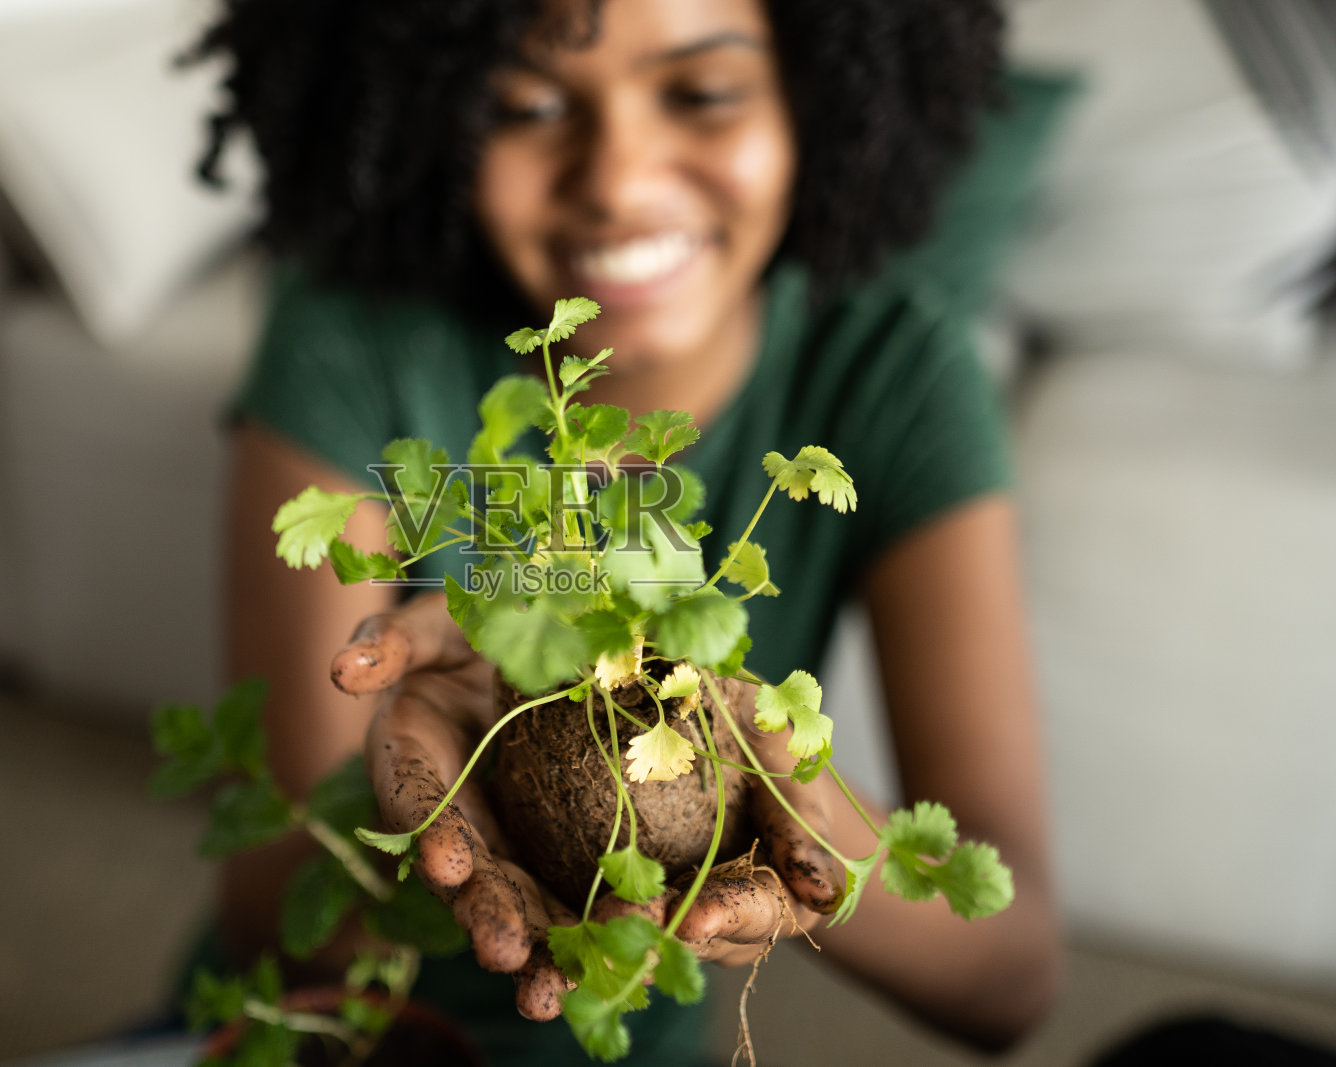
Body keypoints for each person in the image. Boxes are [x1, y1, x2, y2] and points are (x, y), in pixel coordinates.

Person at [196, 0, 1061, 1061]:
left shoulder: (890, 374)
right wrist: (401, 806)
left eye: (701, 93)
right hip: (331, 1036)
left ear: (816, 102)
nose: (614, 177)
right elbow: (266, 917)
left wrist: (778, 806)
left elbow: (1011, 978)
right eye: (529, 104)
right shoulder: (352, 331)